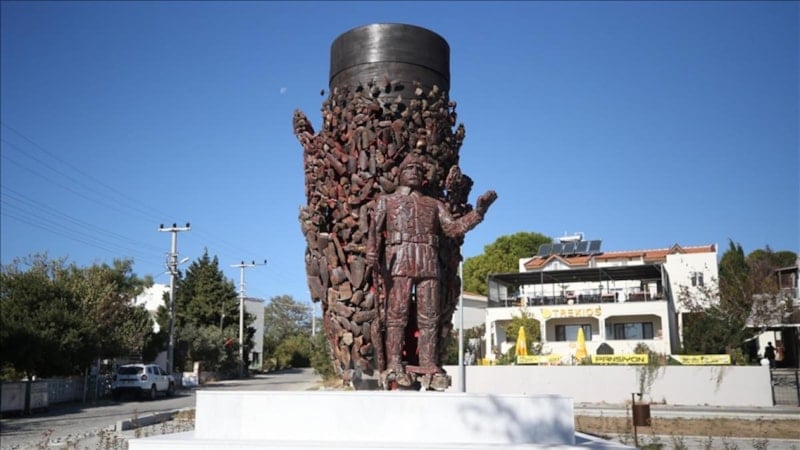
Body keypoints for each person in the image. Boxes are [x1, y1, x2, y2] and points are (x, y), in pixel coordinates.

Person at [367, 152, 496, 387]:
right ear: (399, 174)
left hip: (427, 260)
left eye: (419, 170)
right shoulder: (388, 201)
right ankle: (394, 363)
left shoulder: (434, 204)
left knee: (429, 316)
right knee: (397, 314)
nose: (414, 172)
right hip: (399, 259)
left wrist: (478, 213)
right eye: (410, 168)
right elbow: (374, 230)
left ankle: (428, 363)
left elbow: (453, 229)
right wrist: (372, 251)